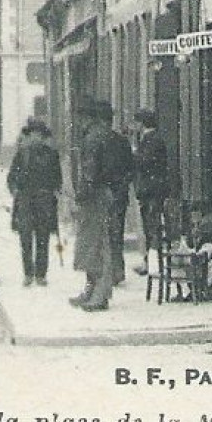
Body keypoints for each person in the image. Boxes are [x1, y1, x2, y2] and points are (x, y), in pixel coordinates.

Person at [70, 100, 126, 312]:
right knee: (97, 245)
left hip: (95, 198)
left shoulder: (93, 139)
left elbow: (89, 173)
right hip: (106, 195)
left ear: (87, 118)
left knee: (97, 246)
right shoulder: (111, 137)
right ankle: (92, 291)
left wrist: (81, 197)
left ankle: (99, 295)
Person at [7, 119, 62, 287]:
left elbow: (57, 178)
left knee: (43, 236)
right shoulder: (21, 154)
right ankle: (28, 273)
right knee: (25, 237)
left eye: (39, 135)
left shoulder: (51, 154)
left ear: (43, 137)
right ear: (29, 136)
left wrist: (55, 191)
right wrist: (15, 189)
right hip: (25, 199)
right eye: (33, 135)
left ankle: (41, 274)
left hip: (44, 200)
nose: (35, 138)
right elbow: (11, 177)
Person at [131, 110, 169, 276]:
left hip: (152, 190)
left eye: (136, 122)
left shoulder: (152, 140)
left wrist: (133, 153)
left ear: (142, 123)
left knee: (152, 227)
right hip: (150, 189)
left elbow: (144, 162)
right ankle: (150, 262)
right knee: (150, 226)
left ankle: (153, 264)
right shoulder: (151, 139)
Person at [106, 114, 135, 287]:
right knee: (116, 234)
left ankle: (111, 272)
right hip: (119, 195)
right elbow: (130, 169)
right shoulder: (122, 142)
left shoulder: (100, 142)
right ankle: (117, 271)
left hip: (108, 195)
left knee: (109, 234)